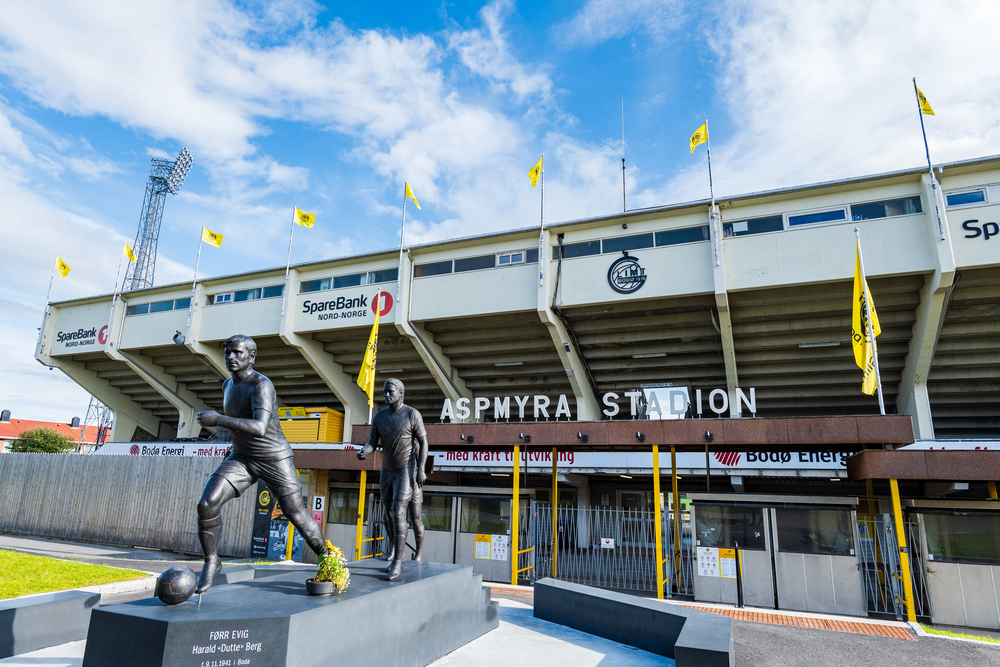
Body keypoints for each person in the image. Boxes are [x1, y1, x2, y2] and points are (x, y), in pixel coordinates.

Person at [195, 334, 328, 593]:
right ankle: (212, 561)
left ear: (251, 357)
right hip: (242, 458)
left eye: (238, 353)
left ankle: (328, 559)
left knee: (296, 515)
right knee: (207, 504)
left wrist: (218, 419)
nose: (231, 357)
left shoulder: (261, 385)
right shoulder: (227, 385)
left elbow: (259, 427)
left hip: (274, 458)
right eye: (228, 353)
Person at [356, 378, 428, 581]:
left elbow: (423, 441)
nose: (386, 395)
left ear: (401, 393)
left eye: (390, 391)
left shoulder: (412, 414)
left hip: (406, 469)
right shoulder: (379, 417)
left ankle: (398, 560)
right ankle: (398, 549)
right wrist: (364, 451)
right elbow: (372, 442)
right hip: (387, 470)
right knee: (388, 514)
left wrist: (421, 469)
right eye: (385, 391)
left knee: (399, 513)